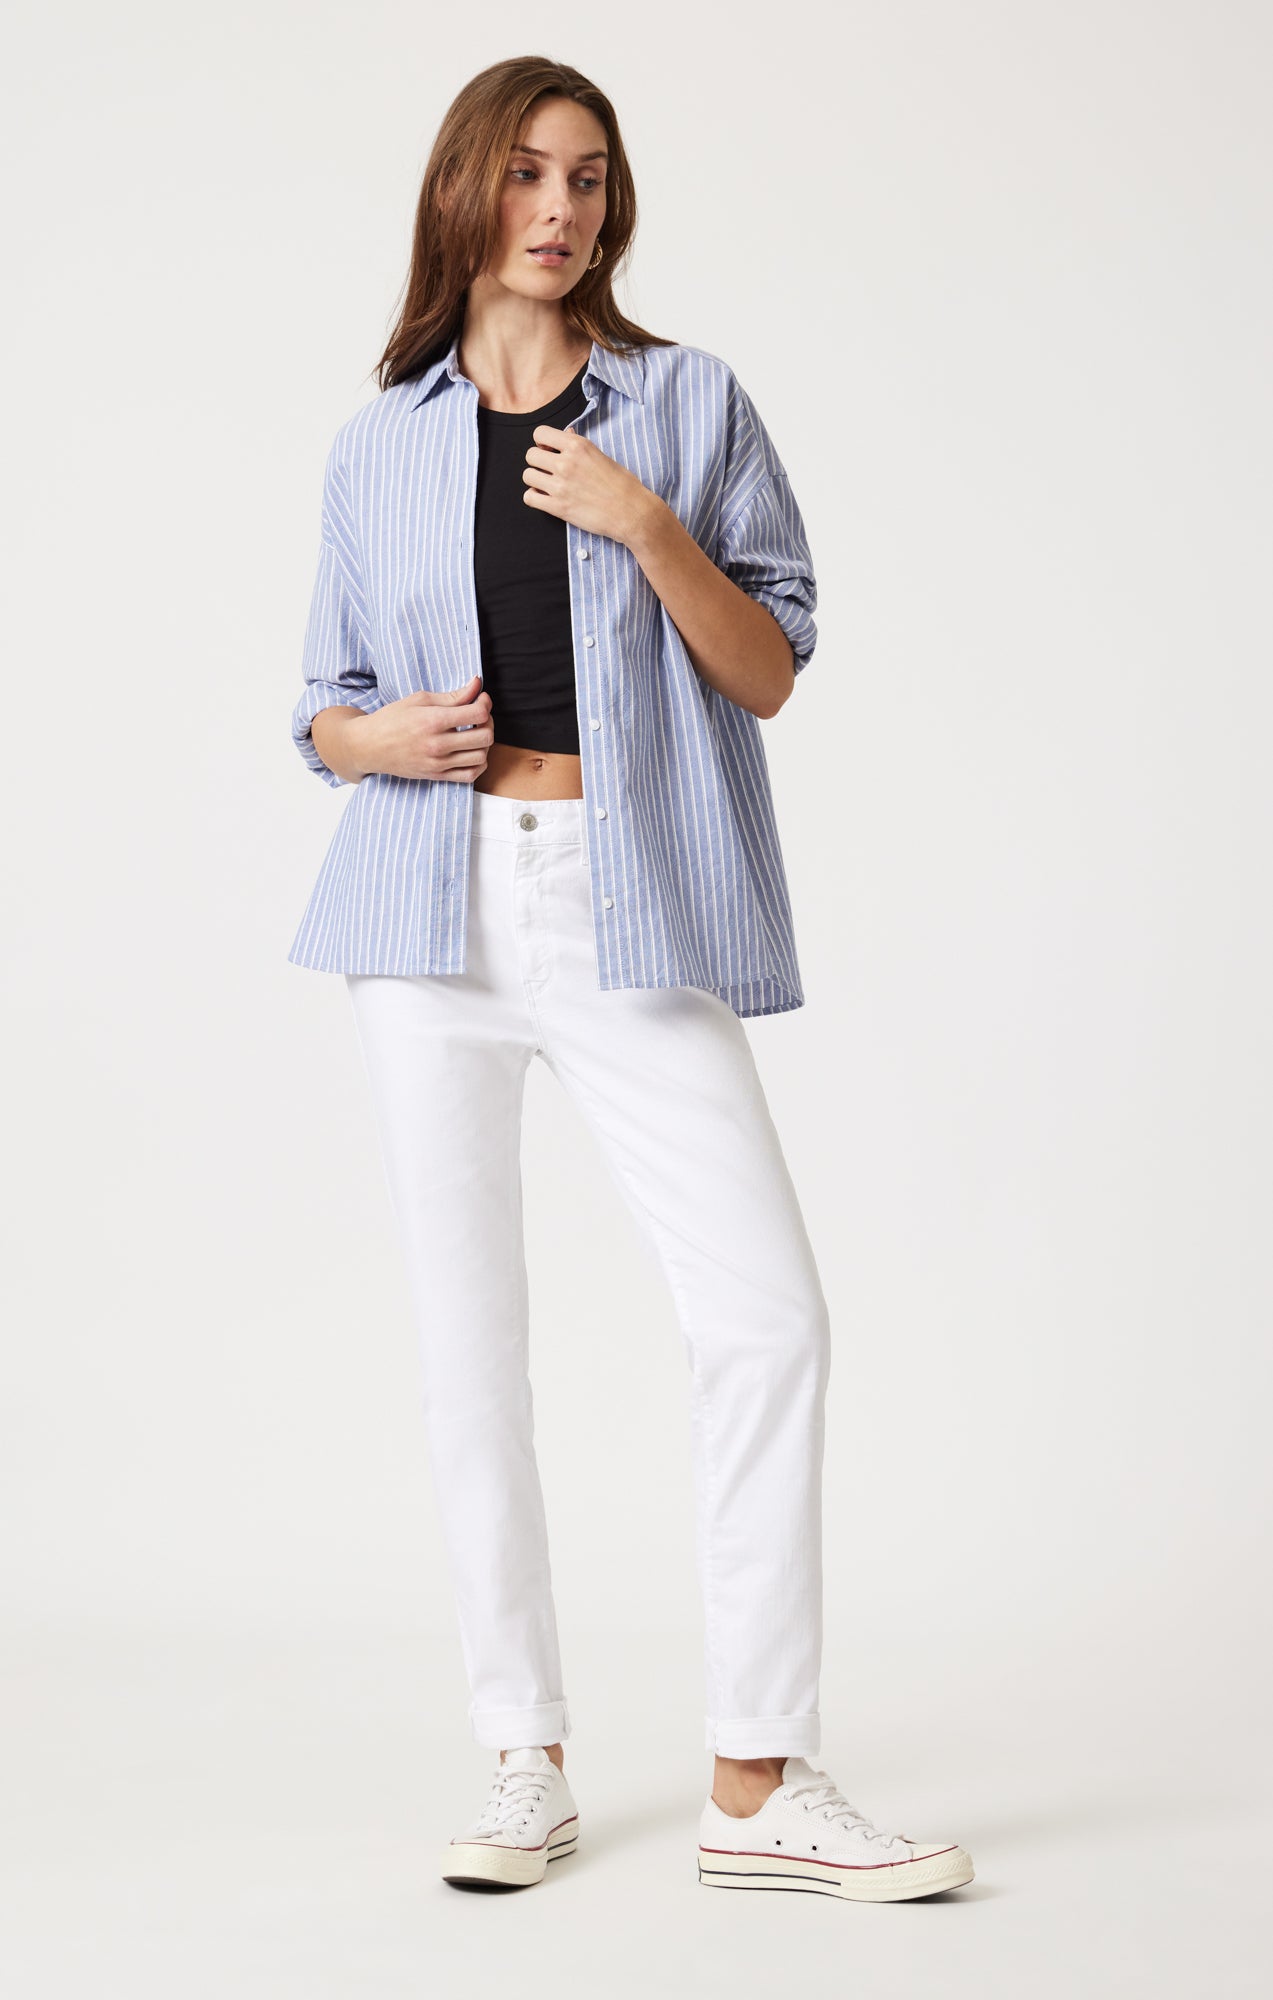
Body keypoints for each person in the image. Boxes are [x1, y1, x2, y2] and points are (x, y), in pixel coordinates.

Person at [287, 53, 974, 1904]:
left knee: (764, 1318)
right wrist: (378, 743)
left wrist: (642, 519)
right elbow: (321, 708)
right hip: (424, 916)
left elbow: (766, 671)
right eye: (526, 173)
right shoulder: (378, 443)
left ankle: (758, 1780)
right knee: (469, 1349)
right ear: (463, 192)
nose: (560, 208)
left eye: (587, 176)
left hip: (625, 897)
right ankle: (522, 1758)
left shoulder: (684, 403)